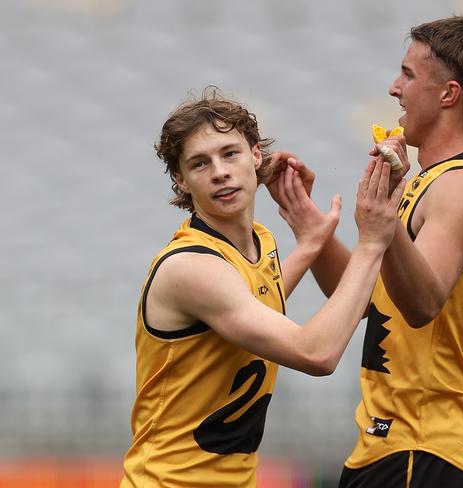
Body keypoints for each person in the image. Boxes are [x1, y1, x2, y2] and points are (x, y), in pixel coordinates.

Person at [268, 16, 463, 488]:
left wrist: (385, 226)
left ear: (448, 94)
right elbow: (365, 300)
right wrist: (311, 229)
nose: (393, 88)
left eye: (407, 74)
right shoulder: (426, 183)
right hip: (388, 446)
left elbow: (423, 303)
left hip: (424, 448)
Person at [120, 86, 406, 487]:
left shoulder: (260, 242)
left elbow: (260, 303)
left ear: (256, 156)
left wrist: (309, 246)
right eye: (199, 163)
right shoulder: (191, 266)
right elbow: (318, 353)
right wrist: (373, 241)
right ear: (180, 180)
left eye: (230, 153)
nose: (219, 171)